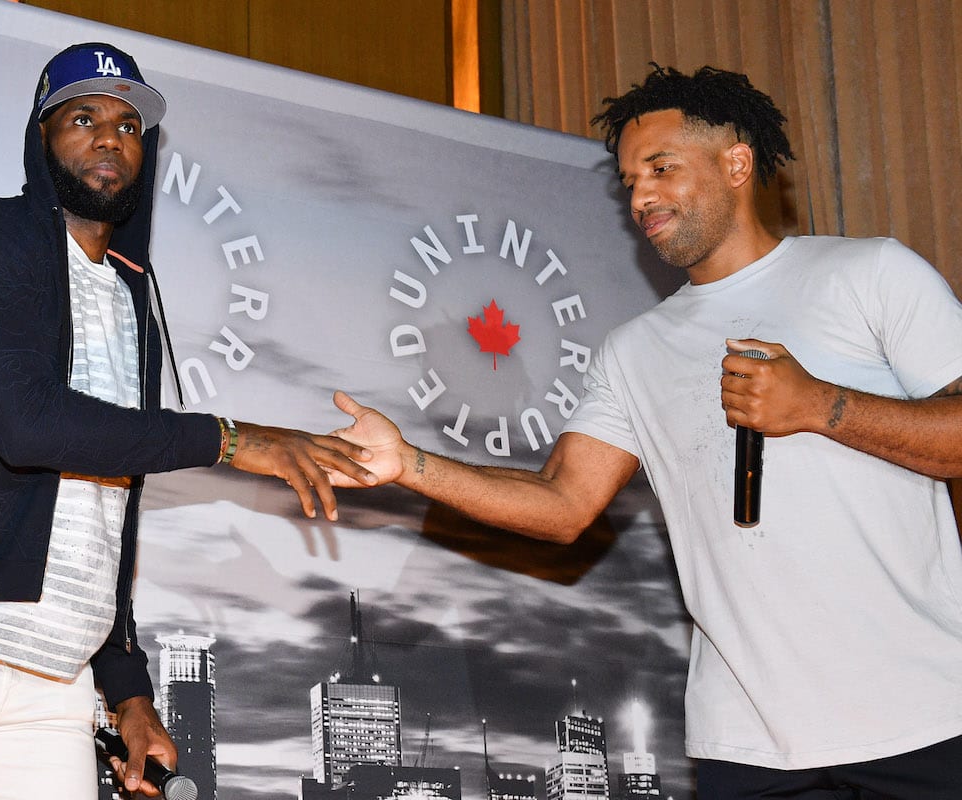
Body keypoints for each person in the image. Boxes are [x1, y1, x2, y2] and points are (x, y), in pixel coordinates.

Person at [330, 64, 962, 798]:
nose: (641, 197)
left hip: (926, 715)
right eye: (629, 181)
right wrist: (409, 464)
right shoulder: (633, 350)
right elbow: (563, 504)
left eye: (660, 169)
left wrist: (821, 406)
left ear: (736, 163)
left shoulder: (871, 274)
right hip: (749, 742)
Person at [0, 42, 376, 800]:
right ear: (42, 139)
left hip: (50, 681)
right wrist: (232, 438)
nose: (111, 137)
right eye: (83, 117)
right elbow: (27, 427)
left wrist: (129, 691)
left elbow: (107, 508)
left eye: (130, 125)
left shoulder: (131, 299)